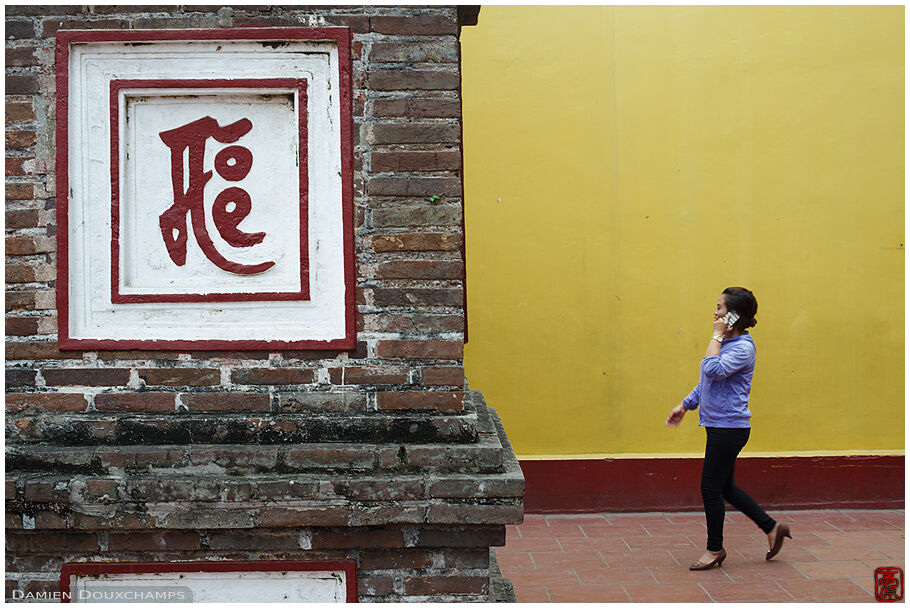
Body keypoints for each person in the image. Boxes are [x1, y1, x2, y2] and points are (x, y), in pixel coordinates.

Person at [665, 287, 791, 570]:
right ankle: (772, 528)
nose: (715, 312)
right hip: (719, 426)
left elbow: (712, 370)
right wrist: (685, 405)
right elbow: (708, 381)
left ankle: (715, 549)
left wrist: (716, 336)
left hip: (729, 429)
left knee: (709, 487)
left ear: (733, 316)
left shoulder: (743, 347)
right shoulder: (725, 344)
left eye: (720, 308)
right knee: (726, 488)